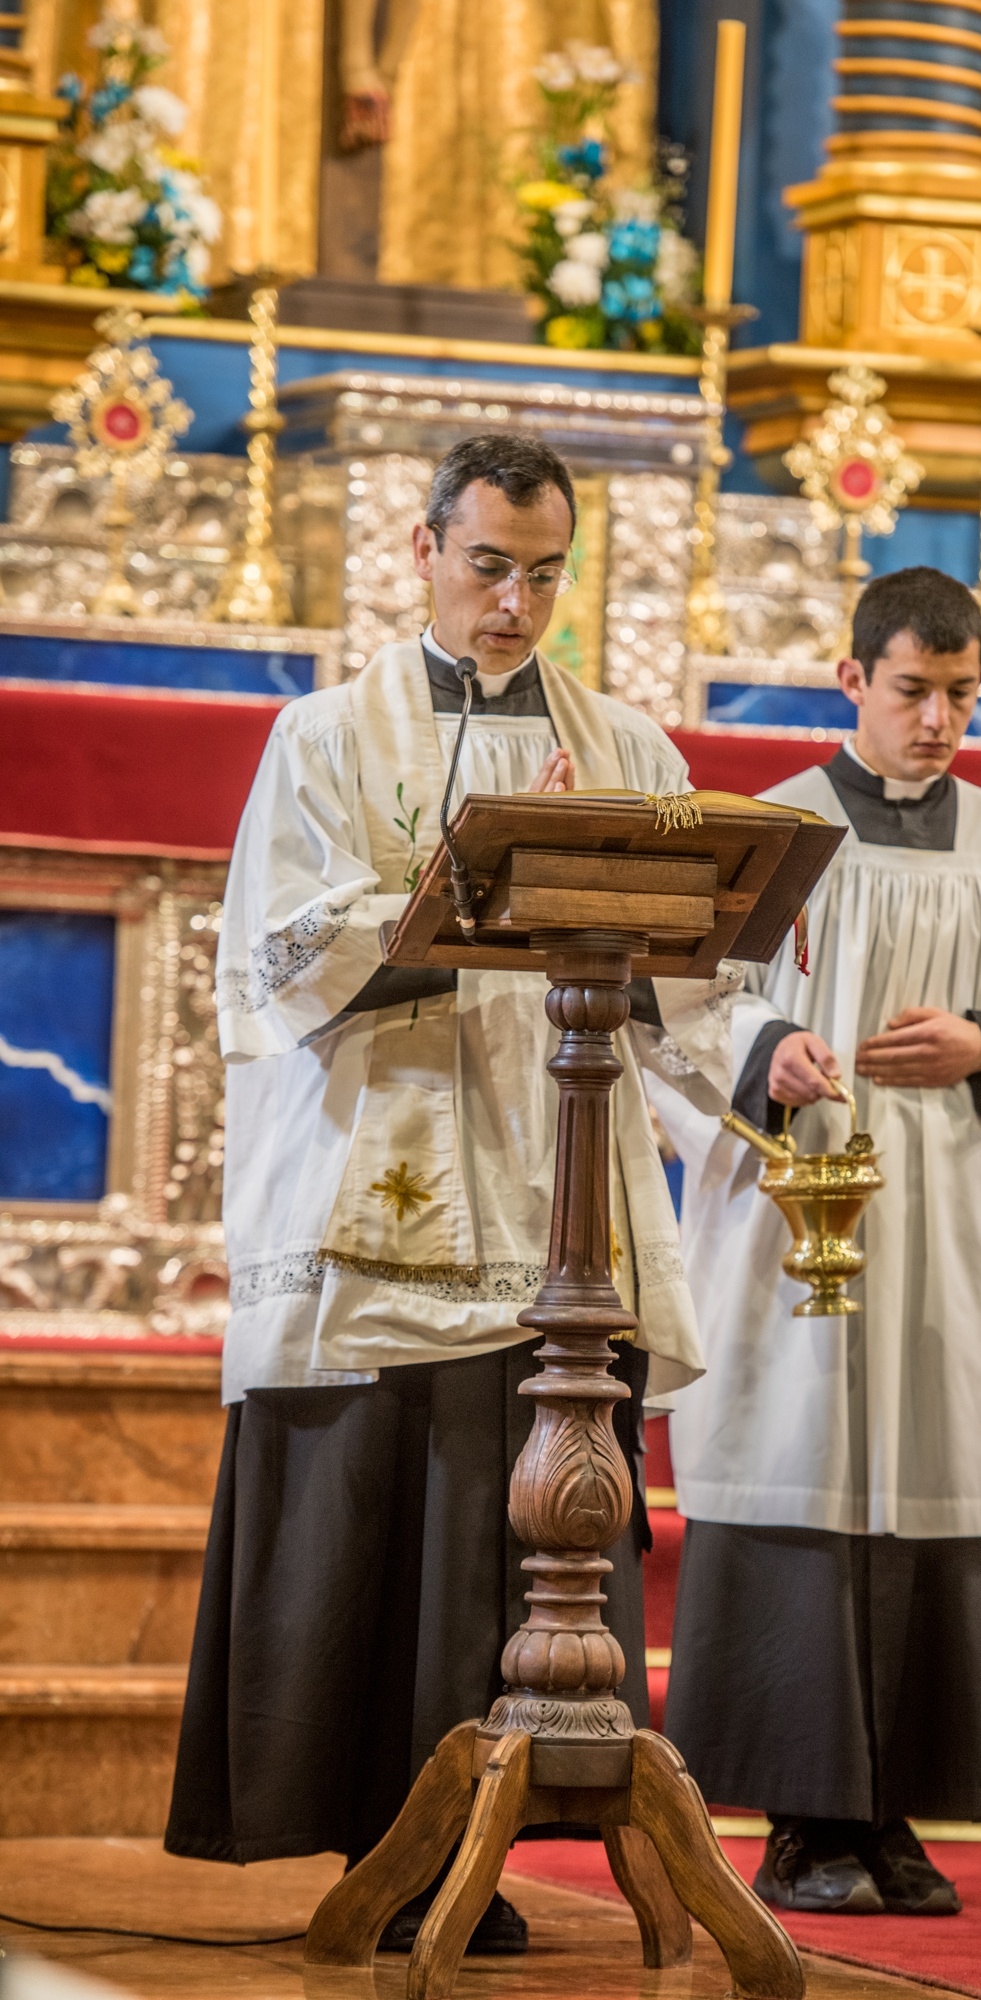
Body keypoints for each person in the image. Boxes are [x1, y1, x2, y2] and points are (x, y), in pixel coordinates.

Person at [164, 434, 731, 1954]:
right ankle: (388, 1840)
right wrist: (483, 880)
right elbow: (283, 953)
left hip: (558, 1195)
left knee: (515, 1517)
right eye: (490, 566)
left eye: (545, 574)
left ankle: (502, 1840)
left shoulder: (627, 748)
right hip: (380, 1183)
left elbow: (695, 962)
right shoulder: (323, 738)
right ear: (423, 552)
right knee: (389, 1514)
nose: (516, 602)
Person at [651, 566, 981, 1918]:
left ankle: (893, 1816)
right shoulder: (769, 837)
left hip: (953, 1218)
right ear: (852, 680)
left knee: (932, 1465)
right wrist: (765, 1046)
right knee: (798, 1459)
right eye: (915, 691)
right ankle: (800, 1824)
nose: (938, 721)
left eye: (962, 696)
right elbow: (670, 1006)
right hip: (793, 1208)